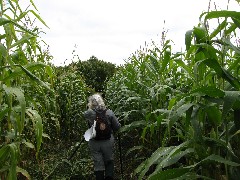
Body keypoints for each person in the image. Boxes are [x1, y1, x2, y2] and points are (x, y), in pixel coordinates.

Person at [84, 93, 121, 180]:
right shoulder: (109, 112)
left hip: (94, 142)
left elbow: (84, 115)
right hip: (108, 141)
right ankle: (109, 177)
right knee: (109, 160)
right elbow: (117, 127)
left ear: (91, 103)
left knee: (98, 163)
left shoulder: (89, 113)